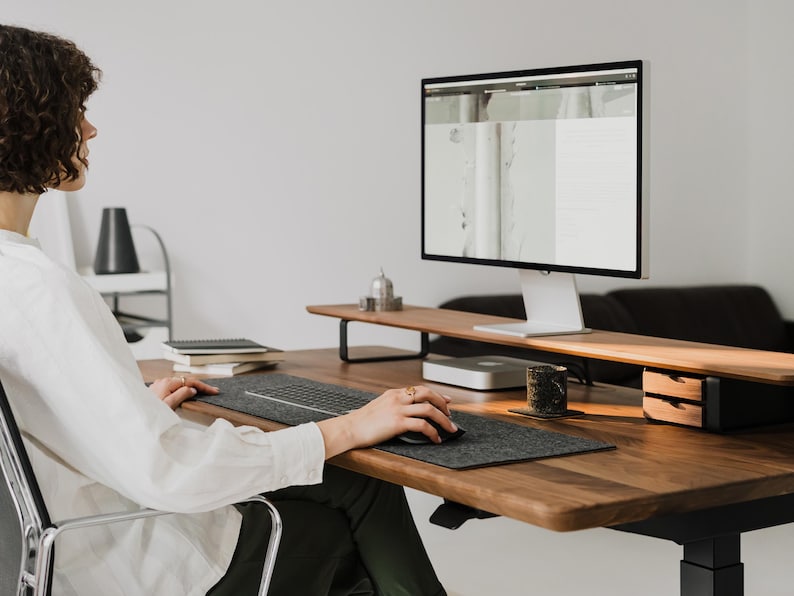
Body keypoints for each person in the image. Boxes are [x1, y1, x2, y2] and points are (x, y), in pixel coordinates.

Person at [0, 24, 455, 596]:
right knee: (350, 510)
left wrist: (128, 413)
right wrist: (350, 424)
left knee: (349, 482)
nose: (90, 129)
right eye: (76, 110)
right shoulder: (38, 287)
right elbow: (170, 472)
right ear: (29, 124)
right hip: (145, 568)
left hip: (67, 553)